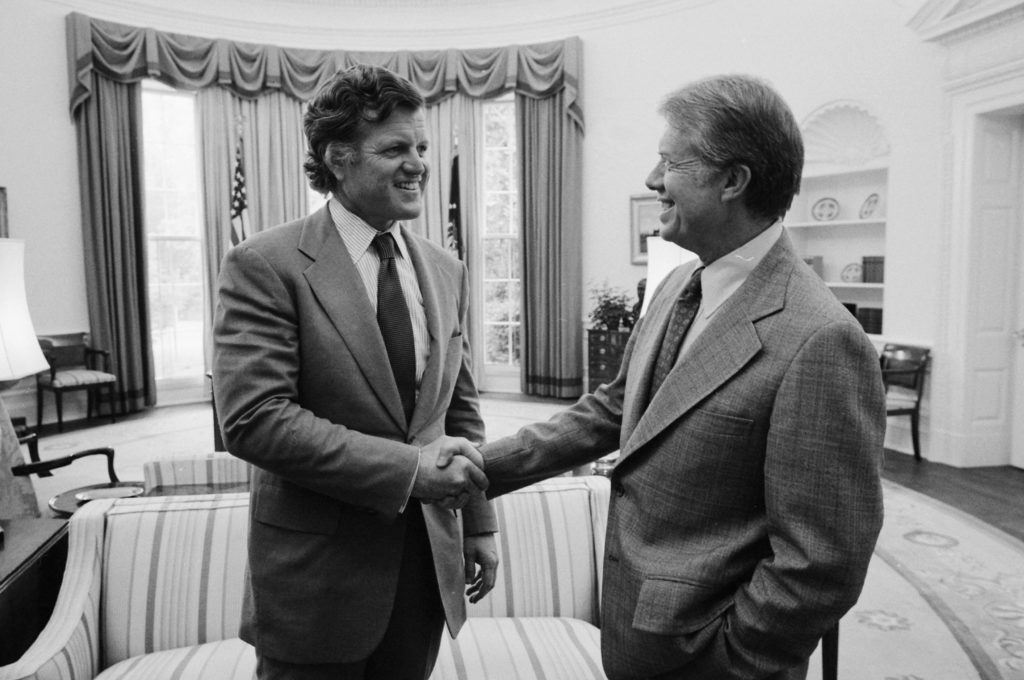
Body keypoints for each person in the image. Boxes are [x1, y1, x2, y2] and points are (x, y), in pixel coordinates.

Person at [477, 74, 885, 680]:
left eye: (669, 161)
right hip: (633, 636)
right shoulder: (675, 286)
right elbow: (617, 412)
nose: (651, 178)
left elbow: (823, 559)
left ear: (732, 180)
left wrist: (734, 654)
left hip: (709, 658)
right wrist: (480, 468)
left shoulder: (821, 339)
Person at [213, 64, 498, 680]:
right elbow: (254, 421)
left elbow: (460, 411)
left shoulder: (447, 270)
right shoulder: (264, 263)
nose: (418, 163)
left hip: (426, 567)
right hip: (315, 583)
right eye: (395, 148)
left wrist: (477, 524)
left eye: (420, 146)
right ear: (338, 158)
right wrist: (409, 471)